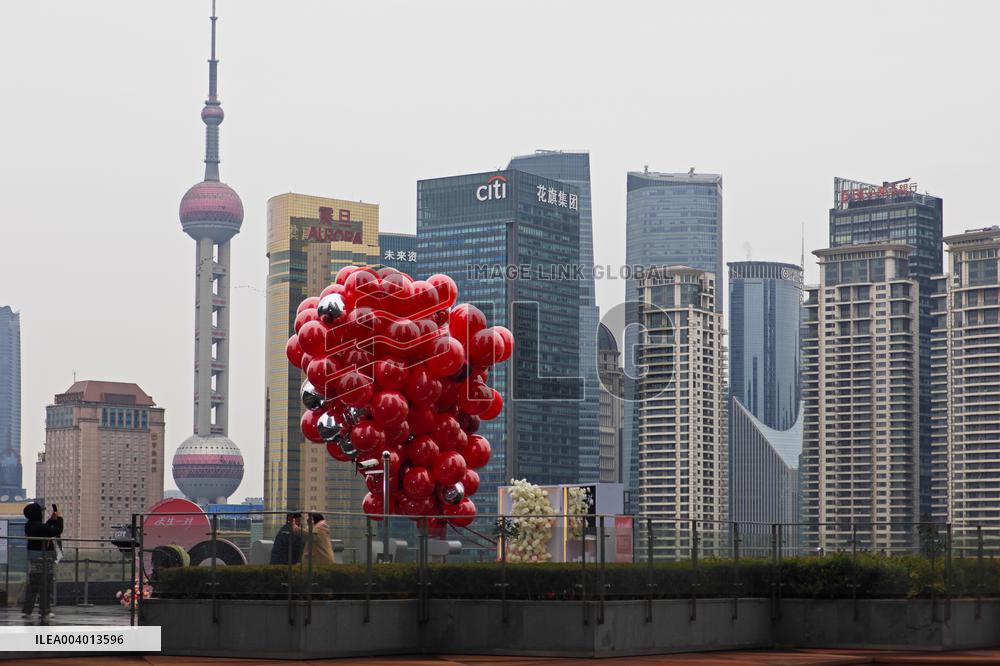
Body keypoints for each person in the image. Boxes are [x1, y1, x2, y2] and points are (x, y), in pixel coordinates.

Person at [21, 503, 63, 620]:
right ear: (37, 514)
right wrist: (59, 519)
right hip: (44, 558)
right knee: (46, 585)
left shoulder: (30, 525)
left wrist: (51, 520)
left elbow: (45, 529)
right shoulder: (38, 527)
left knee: (33, 585)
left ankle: (27, 610)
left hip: (35, 559)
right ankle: (45, 610)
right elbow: (56, 531)